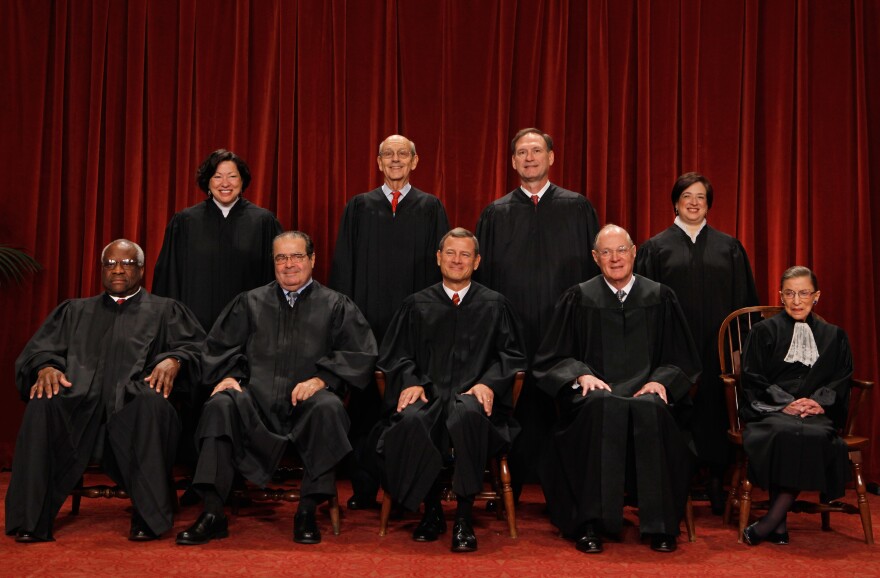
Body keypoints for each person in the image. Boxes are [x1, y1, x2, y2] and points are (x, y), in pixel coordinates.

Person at [176, 231, 377, 546]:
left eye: (297, 256)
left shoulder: (336, 305)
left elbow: (360, 353)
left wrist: (322, 380)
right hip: (255, 405)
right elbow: (218, 348)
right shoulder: (250, 302)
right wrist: (230, 376)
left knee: (328, 407)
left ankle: (307, 511)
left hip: (307, 408)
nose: (289, 264)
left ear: (312, 259)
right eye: (281, 257)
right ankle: (213, 513)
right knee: (220, 404)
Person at [6, 240, 205, 543]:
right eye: (110, 263)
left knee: (152, 403)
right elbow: (39, 351)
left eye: (126, 263)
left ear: (141, 269)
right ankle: (31, 520)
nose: (118, 269)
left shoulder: (166, 311)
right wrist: (45, 367)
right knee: (43, 401)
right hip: (78, 405)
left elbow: (199, 351)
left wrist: (175, 360)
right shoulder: (74, 311)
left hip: (135, 404)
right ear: (101, 269)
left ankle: (147, 517)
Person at [534, 224, 701, 554]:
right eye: (606, 252)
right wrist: (580, 375)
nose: (615, 258)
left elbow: (682, 358)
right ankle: (590, 523)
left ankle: (661, 526)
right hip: (597, 394)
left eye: (621, 250)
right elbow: (552, 357)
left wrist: (660, 381)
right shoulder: (578, 297)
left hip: (647, 391)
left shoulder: (660, 297)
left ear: (634, 252)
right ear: (595, 257)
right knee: (598, 406)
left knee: (652, 407)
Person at [376, 228, 527, 552]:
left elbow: (512, 356)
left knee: (468, 416)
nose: (457, 260)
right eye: (450, 253)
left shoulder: (495, 305)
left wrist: (488, 383)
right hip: (429, 395)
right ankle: (430, 510)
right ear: (438, 258)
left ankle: (463, 517)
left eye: (465, 254)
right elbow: (395, 356)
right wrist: (411, 381)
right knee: (413, 420)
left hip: (472, 398)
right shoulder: (416, 305)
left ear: (476, 262)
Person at [330, 134, 450, 509]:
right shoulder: (358, 207)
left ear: (415, 161)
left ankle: (407, 488)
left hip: (415, 329)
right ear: (379, 162)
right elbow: (344, 267)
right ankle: (365, 487)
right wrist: (347, 323)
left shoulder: (431, 208)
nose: (395, 160)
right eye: (388, 154)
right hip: (366, 325)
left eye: (402, 154)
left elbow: (443, 269)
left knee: (409, 404)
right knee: (366, 408)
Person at [475, 128, 600, 485]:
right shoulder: (495, 214)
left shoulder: (577, 208)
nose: (529, 158)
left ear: (551, 157)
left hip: (564, 328)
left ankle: (565, 482)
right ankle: (509, 477)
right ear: (513, 161)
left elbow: (594, 274)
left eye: (536, 151)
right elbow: (483, 280)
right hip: (512, 328)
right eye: (522, 153)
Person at [152, 149, 282, 485]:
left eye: (232, 176)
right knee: (197, 396)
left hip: (248, 332)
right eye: (217, 176)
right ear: (207, 182)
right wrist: (174, 328)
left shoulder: (263, 222)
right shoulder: (184, 222)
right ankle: (200, 475)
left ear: (243, 181)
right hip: (196, 329)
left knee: (241, 394)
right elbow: (169, 279)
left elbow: (276, 280)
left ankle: (242, 473)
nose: (225, 183)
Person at [635, 172, 759, 513]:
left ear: (708, 204)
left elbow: (744, 303)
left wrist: (740, 351)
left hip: (717, 349)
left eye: (700, 197)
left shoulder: (729, 247)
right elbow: (645, 305)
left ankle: (717, 479)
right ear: (675, 202)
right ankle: (676, 481)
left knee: (715, 409)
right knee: (675, 408)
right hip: (672, 349)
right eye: (687, 196)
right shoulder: (655, 248)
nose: (693, 202)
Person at [739, 266, 852, 546]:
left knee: (811, 435)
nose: (797, 301)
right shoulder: (762, 331)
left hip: (815, 413)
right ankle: (777, 524)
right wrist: (785, 403)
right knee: (784, 433)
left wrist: (817, 401)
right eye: (790, 294)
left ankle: (771, 522)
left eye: (804, 293)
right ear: (781, 296)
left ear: (817, 296)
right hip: (772, 409)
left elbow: (842, 378)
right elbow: (752, 376)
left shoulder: (834, 335)